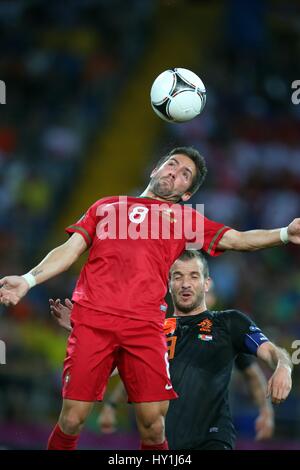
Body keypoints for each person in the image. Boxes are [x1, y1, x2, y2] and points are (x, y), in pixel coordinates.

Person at [0, 147, 298, 450]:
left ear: (186, 194)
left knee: (154, 426)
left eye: (185, 175)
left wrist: (285, 233)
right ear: (156, 169)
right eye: (172, 164)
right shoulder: (107, 206)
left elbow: (239, 239)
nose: (174, 172)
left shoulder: (184, 218)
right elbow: (69, 250)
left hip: (146, 328)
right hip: (93, 321)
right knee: (72, 419)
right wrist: (27, 280)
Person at [50, 250, 290, 450]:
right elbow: (108, 368)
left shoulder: (229, 322)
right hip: (161, 443)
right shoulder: (147, 330)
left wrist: (283, 367)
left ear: (206, 284)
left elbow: (272, 352)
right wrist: (82, 331)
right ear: (168, 283)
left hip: (211, 439)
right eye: (178, 276)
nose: (186, 284)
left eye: (194, 276)